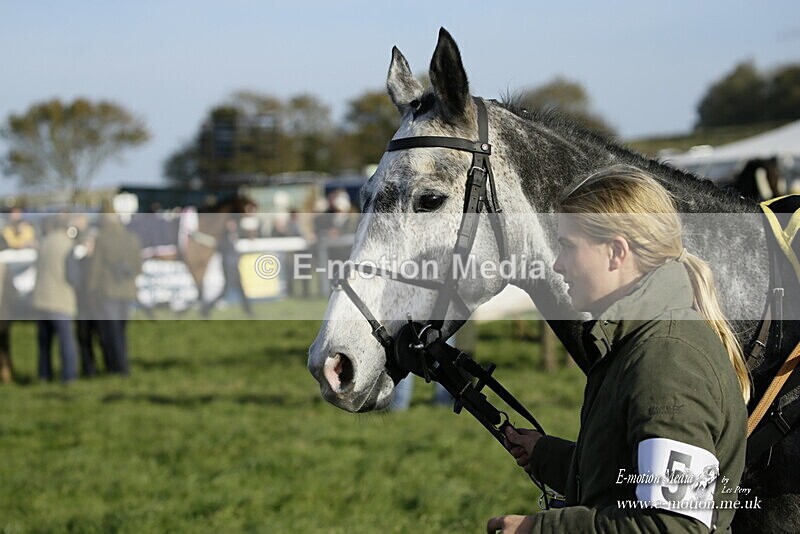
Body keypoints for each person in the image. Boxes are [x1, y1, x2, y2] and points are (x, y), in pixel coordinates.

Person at [487, 165, 750, 533]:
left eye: (567, 247)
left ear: (616, 252)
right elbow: (625, 480)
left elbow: (674, 525)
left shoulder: (667, 357)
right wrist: (546, 454)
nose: (557, 265)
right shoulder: (640, 339)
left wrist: (538, 529)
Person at [87, 213, 142, 376]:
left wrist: (91, 290)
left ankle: (119, 367)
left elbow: (95, 268)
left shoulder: (102, 239)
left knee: (112, 331)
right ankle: (120, 364)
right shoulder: (133, 238)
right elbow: (138, 267)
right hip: (127, 291)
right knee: (121, 330)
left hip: (108, 291)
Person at [32, 215, 78, 383]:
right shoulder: (67, 245)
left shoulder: (44, 243)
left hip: (40, 298)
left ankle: (44, 375)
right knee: (66, 342)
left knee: (44, 344)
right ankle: (69, 376)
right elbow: (73, 275)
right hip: (60, 298)